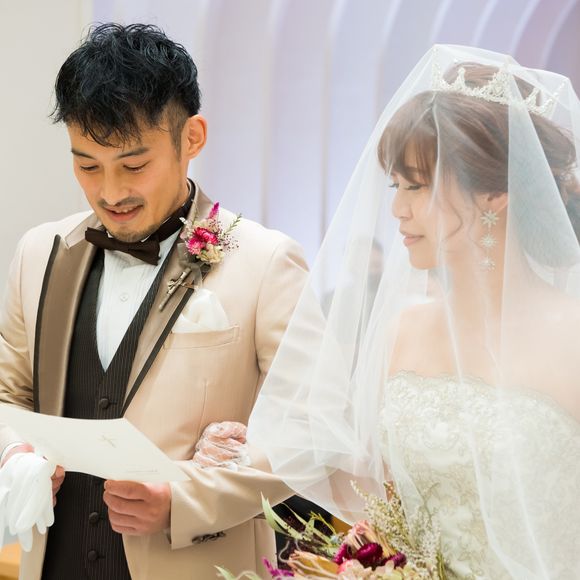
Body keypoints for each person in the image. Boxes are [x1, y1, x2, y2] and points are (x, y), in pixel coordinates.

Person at [246, 45, 580, 578]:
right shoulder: (403, 330)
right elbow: (370, 493)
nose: (398, 209)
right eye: (396, 186)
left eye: (418, 185)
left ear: (495, 194)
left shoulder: (572, 339)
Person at [0, 23, 307, 579]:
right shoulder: (39, 252)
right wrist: (14, 456)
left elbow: (309, 432)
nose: (110, 192)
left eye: (134, 165)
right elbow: (8, 393)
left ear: (192, 137)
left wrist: (183, 499)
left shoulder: (267, 261)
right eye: (87, 165)